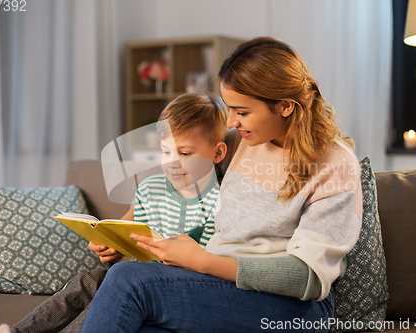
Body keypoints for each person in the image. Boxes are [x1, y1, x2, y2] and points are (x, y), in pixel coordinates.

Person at [80, 36, 363, 333]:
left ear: (285, 106)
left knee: (128, 280)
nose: (231, 122)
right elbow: (176, 172)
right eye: (230, 109)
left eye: (242, 111)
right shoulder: (245, 140)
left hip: (294, 308)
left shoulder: (335, 165)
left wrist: (202, 262)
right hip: (219, 286)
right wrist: (121, 238)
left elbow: (308, 277)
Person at [3, 93, 229, 333]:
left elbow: (209, 266)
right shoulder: (150, 188)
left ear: (217, 153)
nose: (173, 162)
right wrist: (111, 245)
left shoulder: (221, 201)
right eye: (166, 152)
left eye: (184, 153)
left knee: (108, 297)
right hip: (139, 277)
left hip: (176, 288)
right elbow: (127, 229)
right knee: (86, 281)